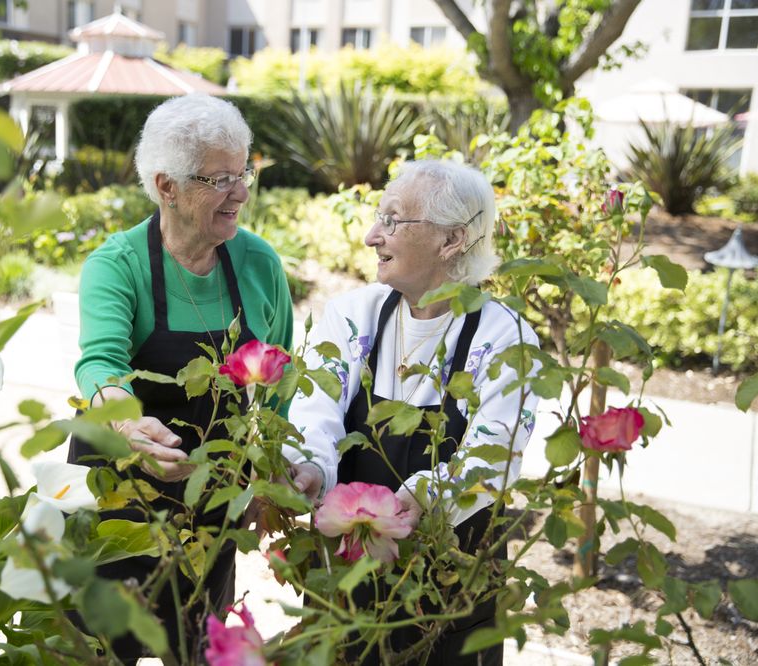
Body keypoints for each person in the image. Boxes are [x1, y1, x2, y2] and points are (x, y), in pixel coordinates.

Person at [284, 160, 539, 665]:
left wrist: (424, 496)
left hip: (451, 574)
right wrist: (311, 465)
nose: (372, 235)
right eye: (380, 217)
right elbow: (315, 413)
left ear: (452, 241)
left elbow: (496, 456)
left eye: (394, 220)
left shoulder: (505, 337)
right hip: (352, 565)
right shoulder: (352, 315)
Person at [68, 94, 293, 662]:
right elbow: (101, 363)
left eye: (244, 171)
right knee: (96, 650)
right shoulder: (117, 265)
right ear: (167, 186)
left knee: (195, 648)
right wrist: (126, 423)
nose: (241, 192)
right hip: (116, 499)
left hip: (210, 504)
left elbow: (281, 386)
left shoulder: (261, 264)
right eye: (221, 178)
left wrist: (268, 477)